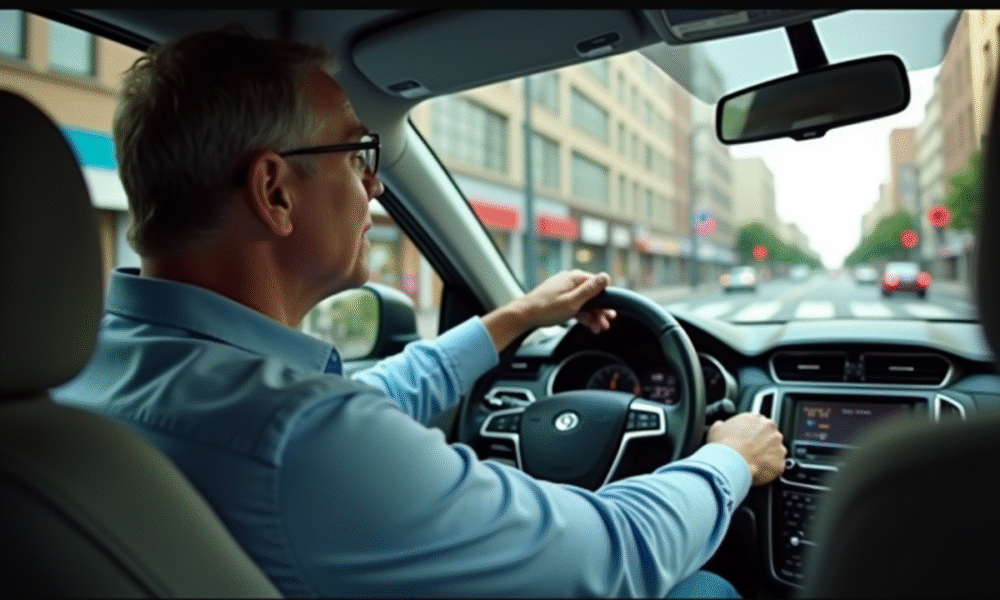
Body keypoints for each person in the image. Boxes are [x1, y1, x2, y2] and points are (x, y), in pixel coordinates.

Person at [53, 26, 786, 598]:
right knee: (706, 586)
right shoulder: (299, 439)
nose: (373, 187)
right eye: (356, 154)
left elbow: (368, 400)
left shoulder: (87, 365)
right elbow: (606, 560)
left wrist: (516, 318)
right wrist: (728, 458)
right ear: (275, 192)